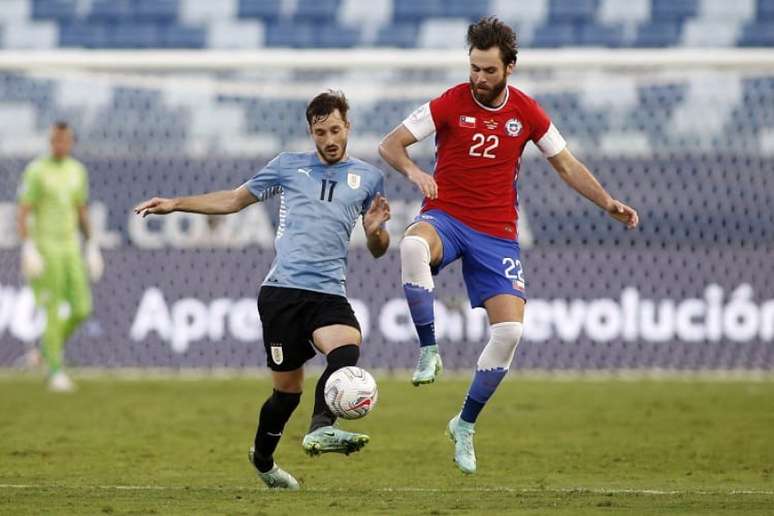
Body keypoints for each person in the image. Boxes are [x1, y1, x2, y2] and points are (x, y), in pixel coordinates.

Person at [378, 17, 639, 475]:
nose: (479, 78)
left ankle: (464, 424)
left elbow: (565, 164)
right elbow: (390, 144)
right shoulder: (448, 102)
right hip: (446, 218)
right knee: (412, 248)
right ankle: (428, 350)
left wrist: (607, 202)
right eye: (474, 68)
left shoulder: (528, 112)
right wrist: (416, 173)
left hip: (496, 233)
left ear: (510, 68)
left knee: (510, 334)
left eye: (488, 71)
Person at [134, 91, 390, 490]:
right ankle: (264, 461)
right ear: (311, 131)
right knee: (286, 394)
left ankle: (321, 427)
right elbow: (235, 200)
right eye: (320, 132)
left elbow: (377, 250)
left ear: (348, 126)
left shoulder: (369, 178)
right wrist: (176, 204)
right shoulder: (287, 167)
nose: (329, 139)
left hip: (329, 293)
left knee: (347, 349)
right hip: (282, 293)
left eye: (336, 129)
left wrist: (376, 233)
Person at [17, 121, 104, 392]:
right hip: (45, 249)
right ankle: (54, 370)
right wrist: (27, 246)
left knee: (82, 308)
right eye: (55, 140)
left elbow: (81, 210)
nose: (60, 145)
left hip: (71, 249)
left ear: (71, 142)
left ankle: (44, 351)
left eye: (65, 141)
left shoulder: (77, 171)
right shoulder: (36, 171)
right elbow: (23, 211)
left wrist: (91, 245)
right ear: (50, 141)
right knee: (52, 311)